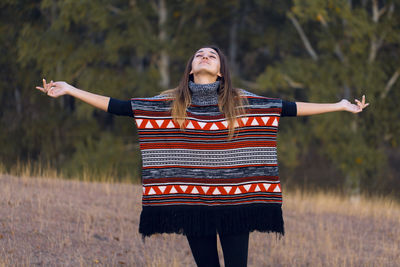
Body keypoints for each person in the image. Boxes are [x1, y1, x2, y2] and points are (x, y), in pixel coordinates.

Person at [36, 45, 369, 267]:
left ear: (222, 70)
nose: (205, 56)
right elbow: (121, 107)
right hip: (191, 202)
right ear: (190, 69)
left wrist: (339, 106)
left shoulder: (241, 101)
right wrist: (70, 89)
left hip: (235, 203)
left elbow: (289, 108)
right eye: (199, 55)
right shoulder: (169, 103)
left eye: (212, 55)